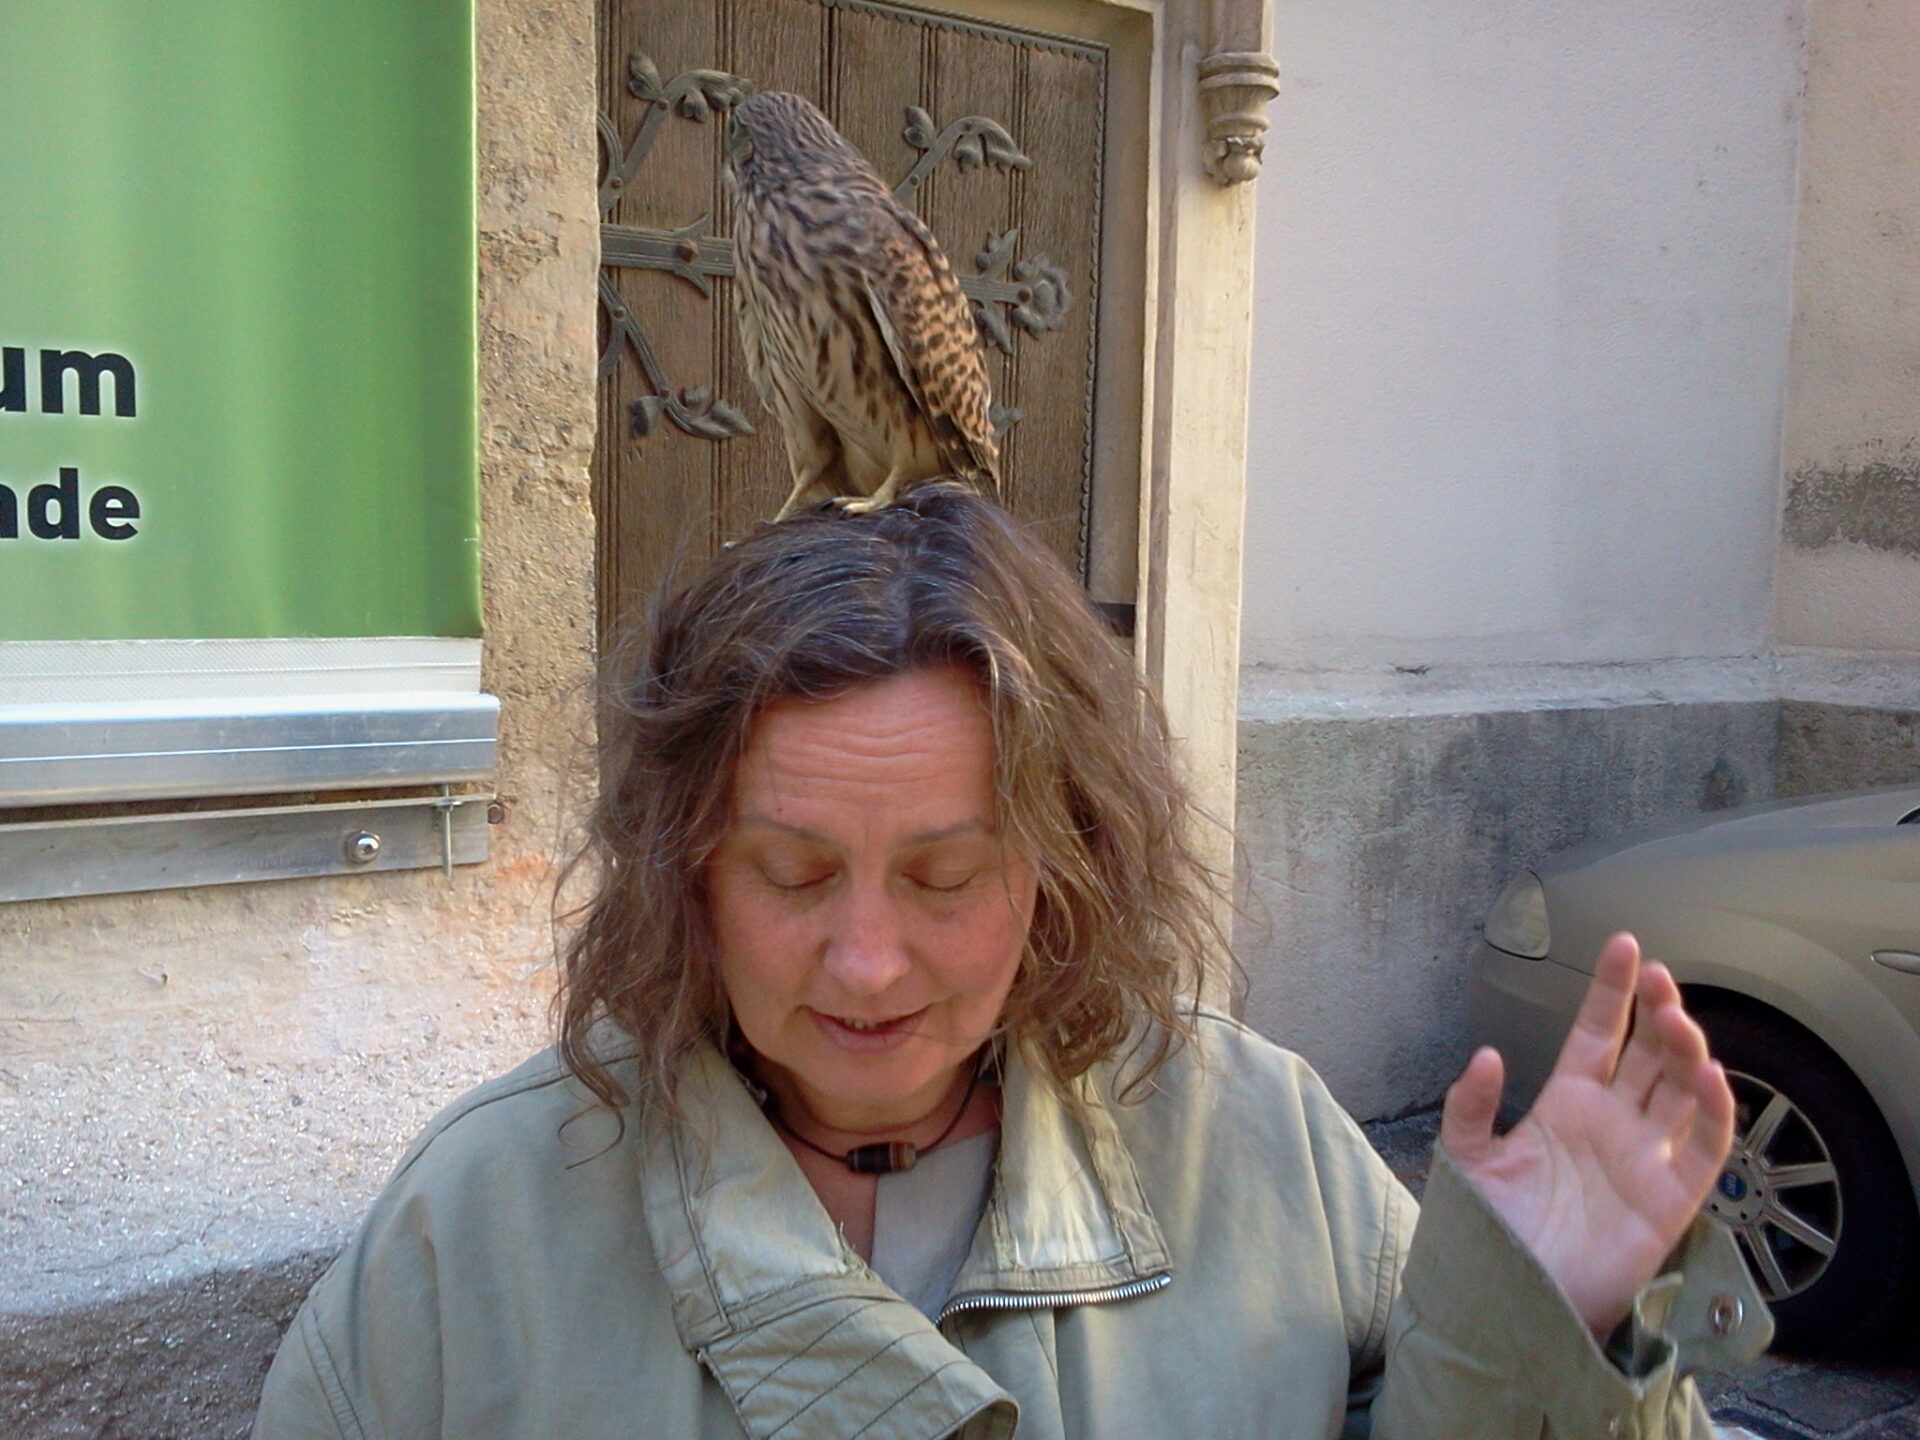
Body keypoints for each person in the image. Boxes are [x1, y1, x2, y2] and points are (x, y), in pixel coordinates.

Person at [252, 483, 1769, 1440]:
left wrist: (1552, 1328)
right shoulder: (482, 1227)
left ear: (1062, 867)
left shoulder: (1263, 1150)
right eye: (791, 873)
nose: (867, 963)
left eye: (946, 876)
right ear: (683, 872)